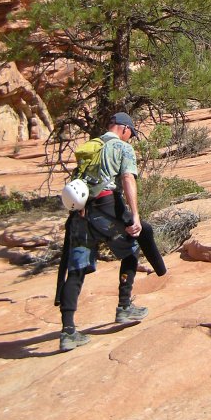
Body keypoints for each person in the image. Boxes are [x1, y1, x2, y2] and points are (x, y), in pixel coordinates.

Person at [56, 112, 149, 351]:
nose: (130, 139)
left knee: (75, 270)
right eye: (131, 134)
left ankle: (68, 332)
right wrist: (135, 214)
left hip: (81, 214)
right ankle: (124, 307)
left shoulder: (92, 146)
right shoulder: (122, 148)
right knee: (130, 251)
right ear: (125, 129)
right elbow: (128, 178)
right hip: (107, 210)